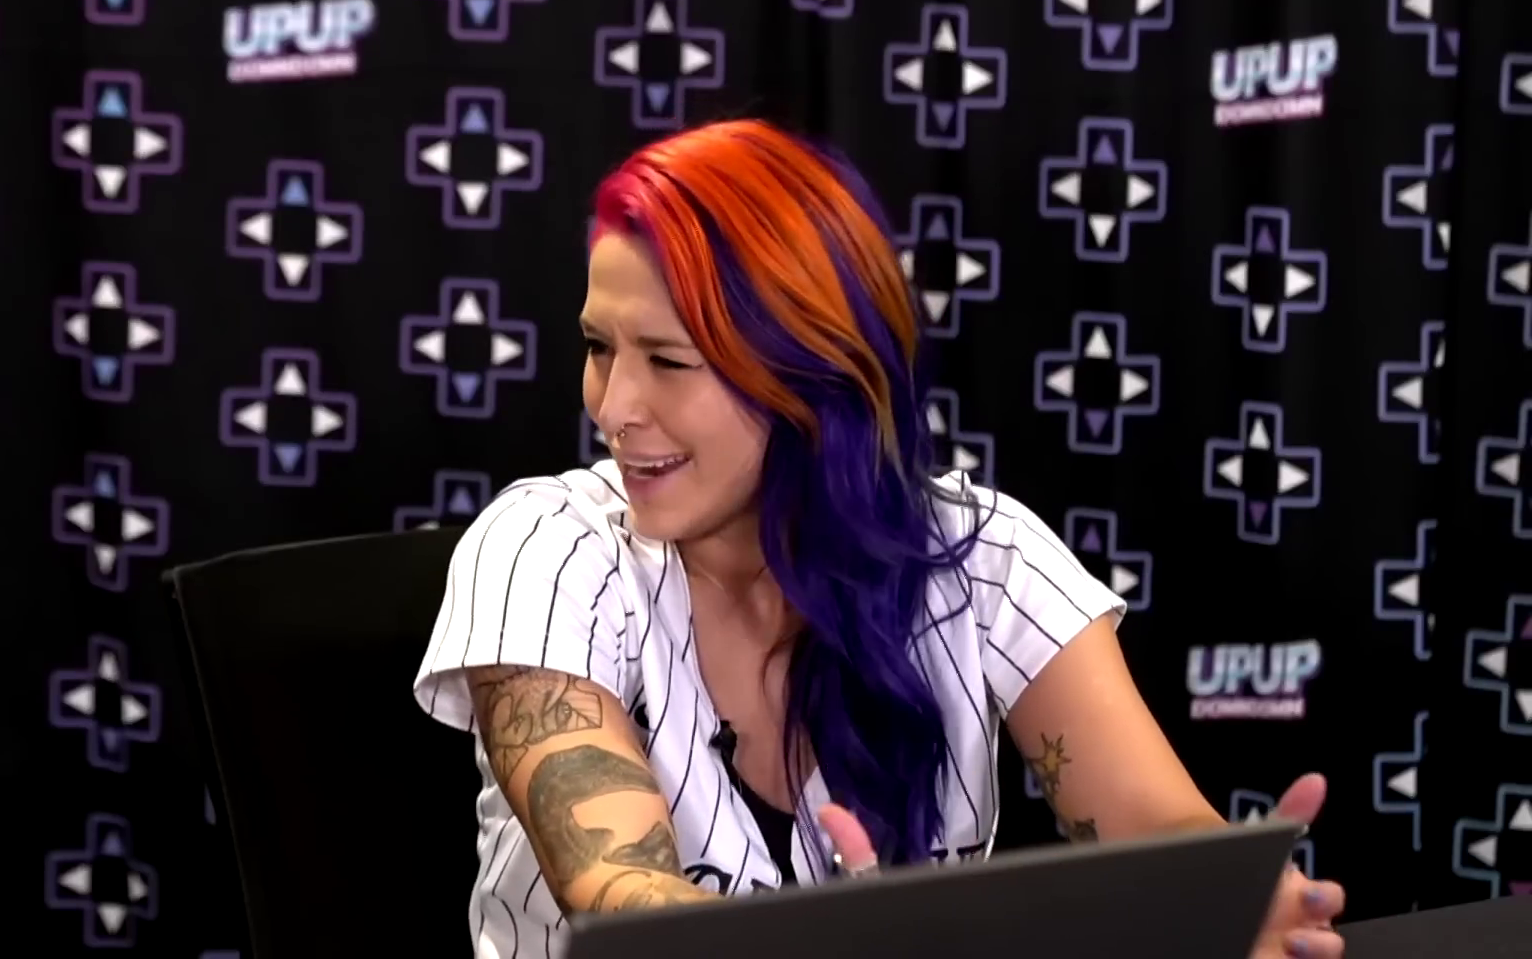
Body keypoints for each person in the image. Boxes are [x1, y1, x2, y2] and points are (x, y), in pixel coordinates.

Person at [410, 119, 1346, 959]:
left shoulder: (984, 559)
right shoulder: (544, 550)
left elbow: (1158, 830)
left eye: (668, 360)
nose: (613, 407)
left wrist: (1228, 905)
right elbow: (626, 899)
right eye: (598, 347)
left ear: (810, 370)